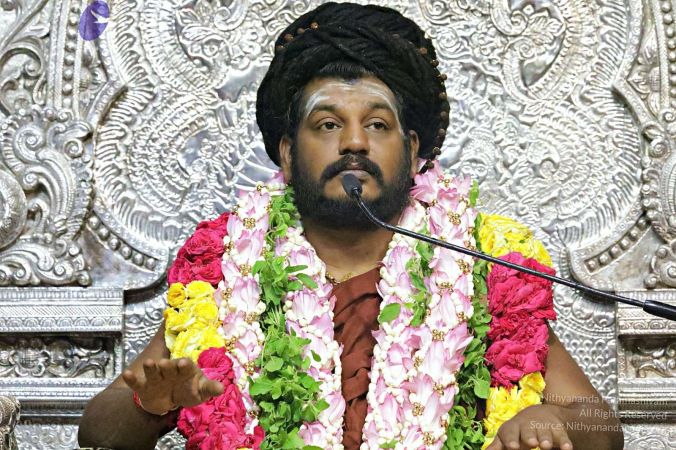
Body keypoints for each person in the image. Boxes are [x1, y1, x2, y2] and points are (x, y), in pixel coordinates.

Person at [78, 3, 624, 449]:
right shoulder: (225, 268)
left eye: (378, 124)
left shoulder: (480, 263)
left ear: (412, 150)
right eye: (328, 124)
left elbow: (603, 425)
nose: (355, 142)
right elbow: (96, 431)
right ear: (287, 153)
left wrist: (551, 420)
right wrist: (152, 404)